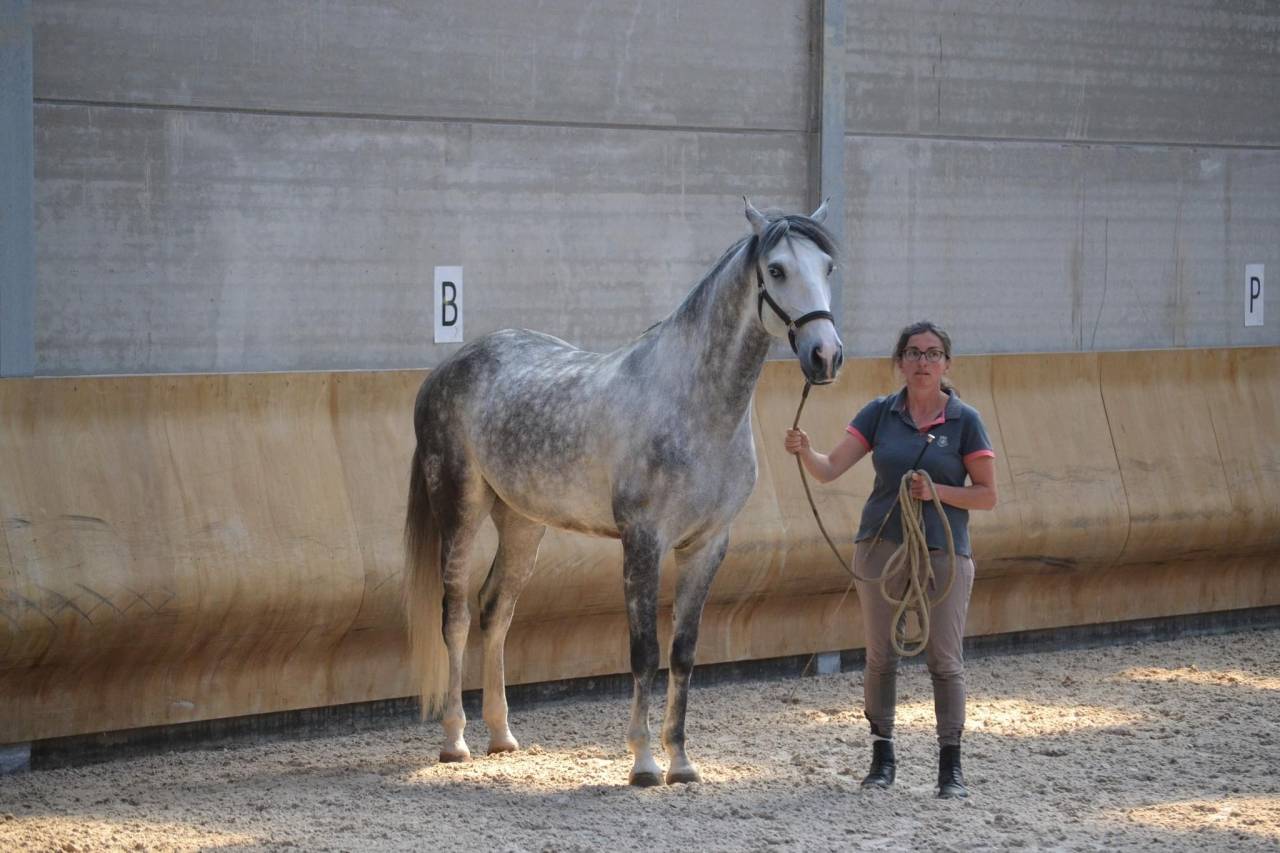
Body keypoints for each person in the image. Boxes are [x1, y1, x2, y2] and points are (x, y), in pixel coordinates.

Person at [784, 320, 997, 798]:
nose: (923, 362)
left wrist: (936, 491)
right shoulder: (880, 413)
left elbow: (986, 496)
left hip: (944, 551)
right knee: (881, 655)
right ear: (900, 362)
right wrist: (805, 451)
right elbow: (830, 468)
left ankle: (951, 768)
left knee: (944, 656)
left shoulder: (966, 420)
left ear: (946, 363)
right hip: (880, 547)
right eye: (914, 353)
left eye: (933, 353)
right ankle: (882, 757)